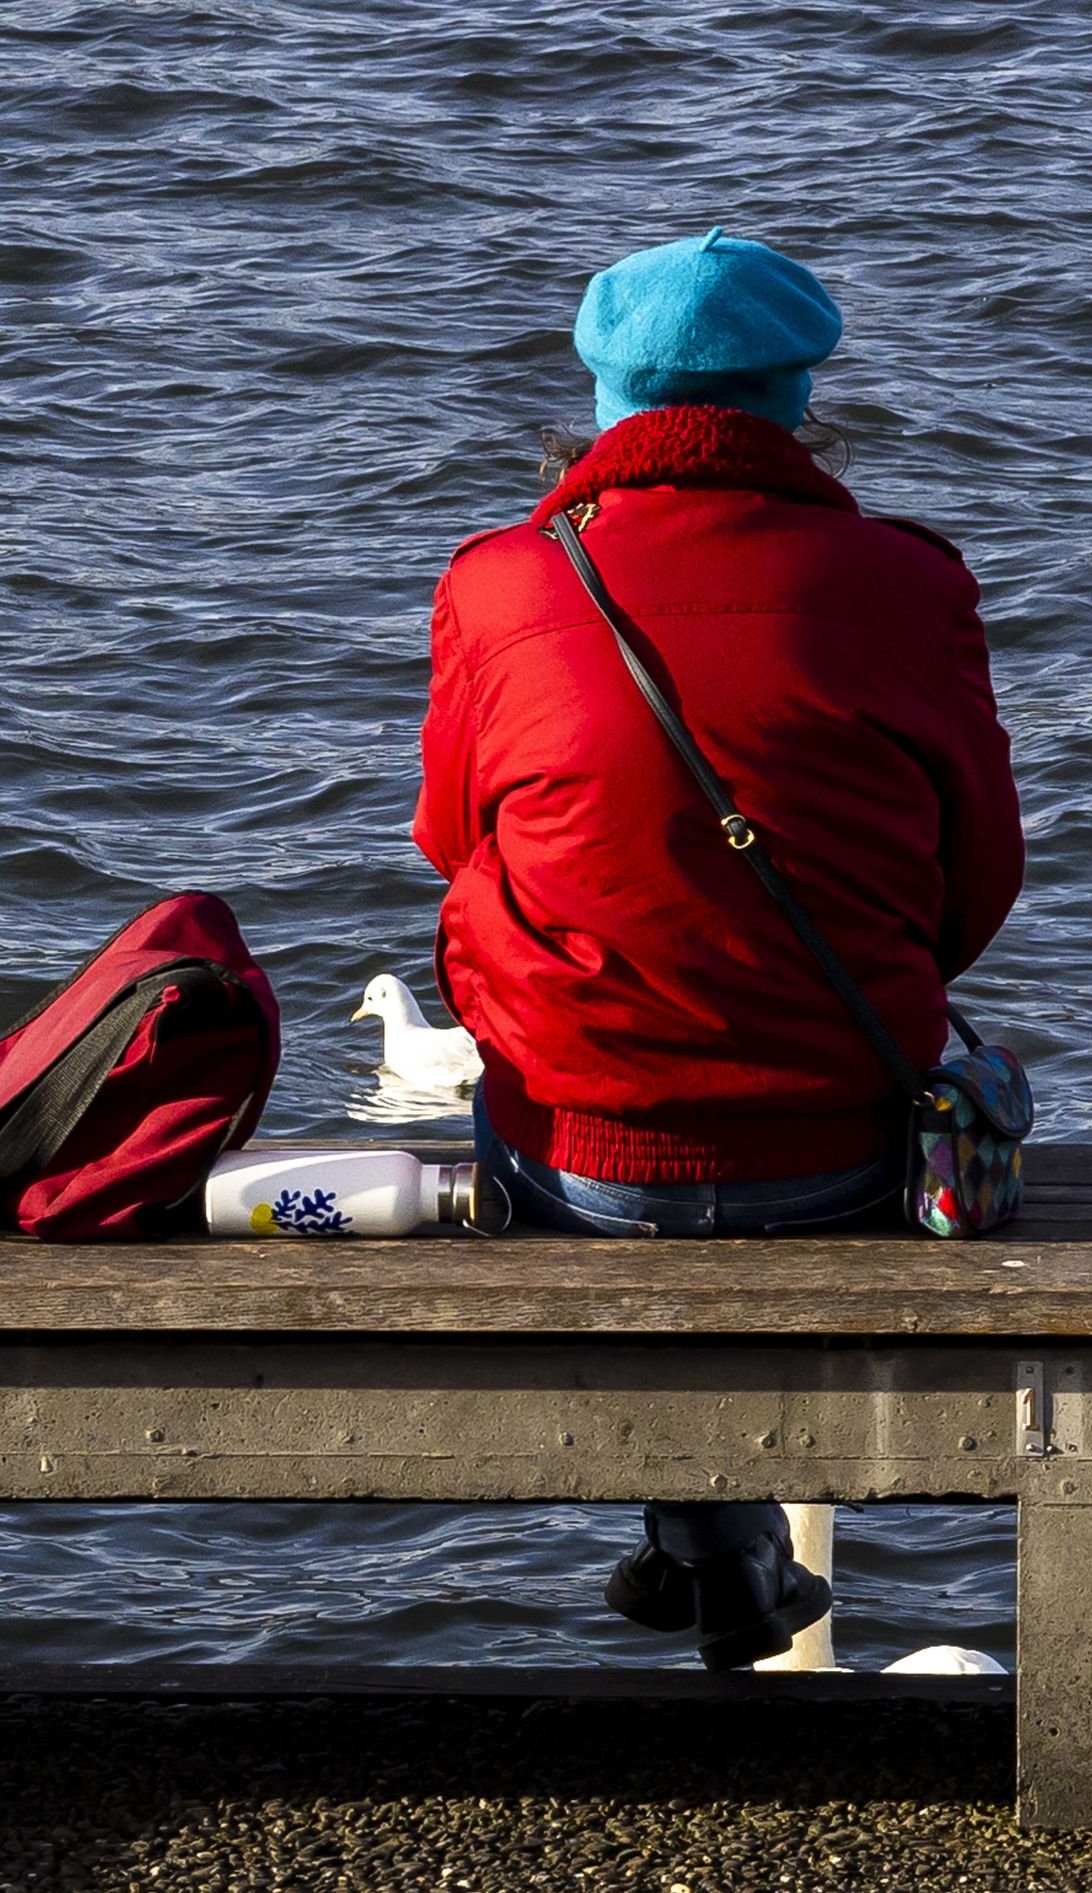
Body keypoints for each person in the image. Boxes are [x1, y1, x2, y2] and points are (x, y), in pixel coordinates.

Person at [412, 230, 1026, 1667]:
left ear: (604, 392)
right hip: (850, 1159)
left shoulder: (499, 583)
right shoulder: (907, 585)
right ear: (799, 397)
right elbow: (975, 889)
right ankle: (730, 1558)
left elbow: (450, 839)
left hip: (576, 1155)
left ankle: (710, 1549)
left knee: (602, 1078)